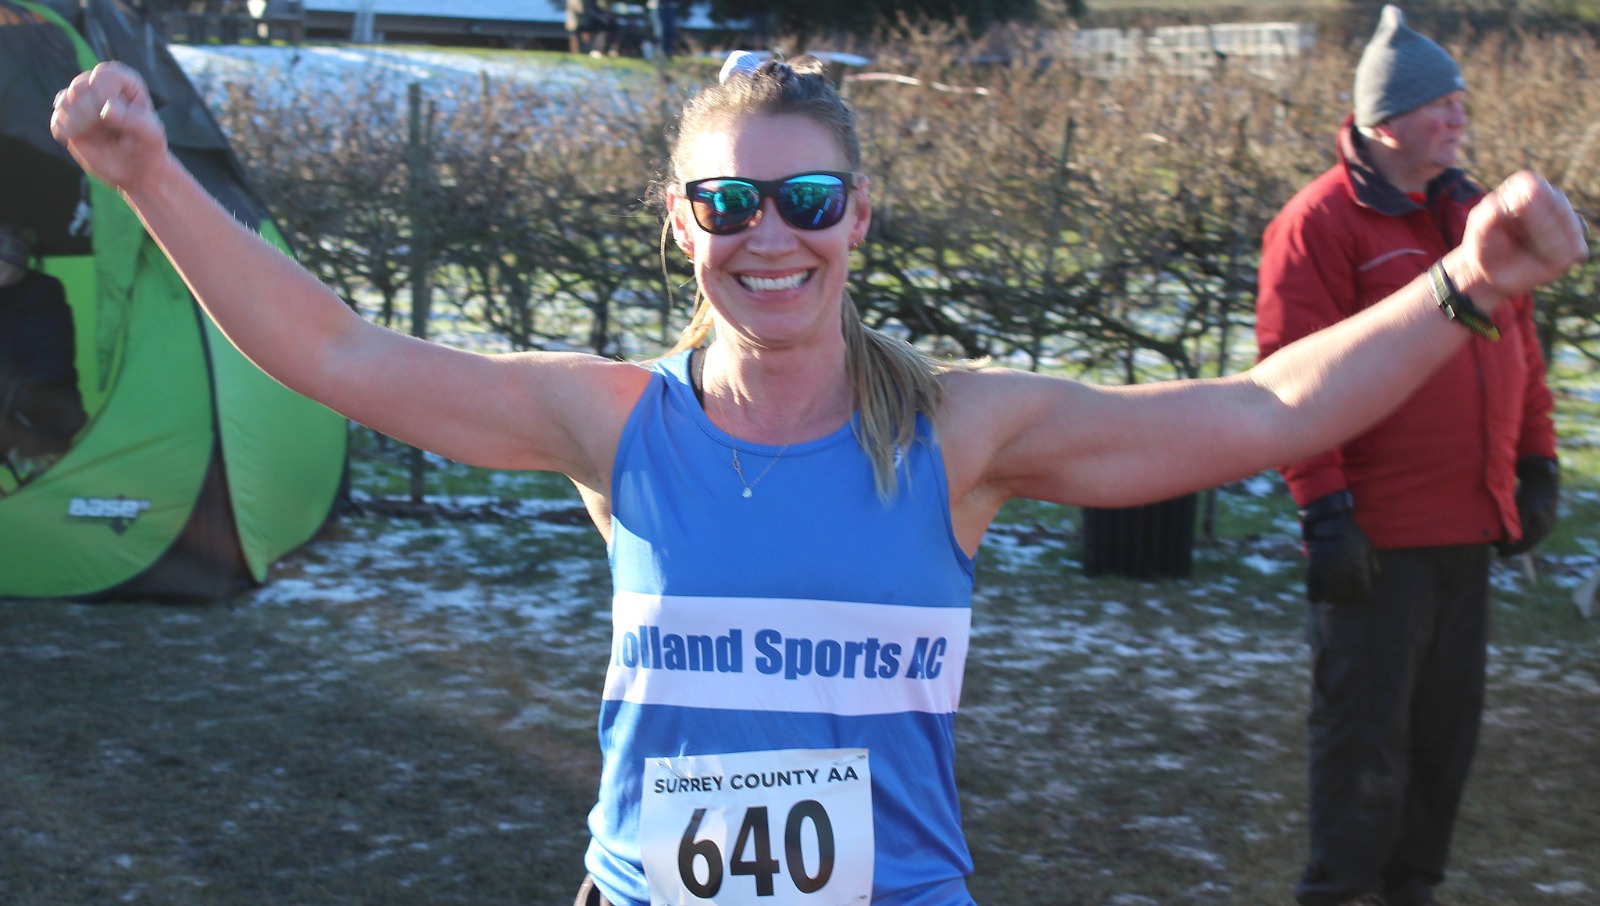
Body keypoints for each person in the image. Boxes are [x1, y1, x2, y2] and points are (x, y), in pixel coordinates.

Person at [50, 49, 1586, 906]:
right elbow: (332, 351)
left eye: (805, 196)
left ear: (857, 217)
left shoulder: (961, 434)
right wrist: (147, 175)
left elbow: (1262, 406)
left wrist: (1468, 282)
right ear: (680, 222)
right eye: (729, 200)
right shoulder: (610, 423)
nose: (767, 233)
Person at [1253, 8, 1564, 906]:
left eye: (1461, 101)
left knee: (1443, 735)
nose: (1461, 117)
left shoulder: (1476, 216)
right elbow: (1290, 374)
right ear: (1386, 123)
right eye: (1441, 104)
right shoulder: (1318, 224)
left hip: (1467, 526)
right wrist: (1324, 510)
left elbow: (1521, 347)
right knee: (1364, 735)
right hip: (1376, 535)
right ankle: (1340, 891)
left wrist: (1535, 464)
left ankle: (1413, 888)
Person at [0, 222, 85, 485]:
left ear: (18, 266)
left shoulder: (44, 300)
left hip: (39, 411)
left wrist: (15, 397)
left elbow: (52, 366)